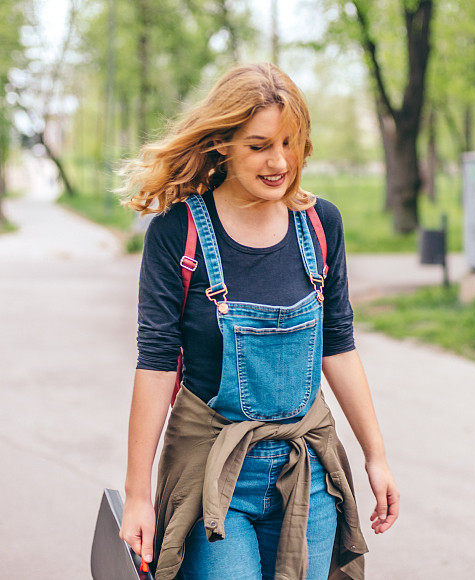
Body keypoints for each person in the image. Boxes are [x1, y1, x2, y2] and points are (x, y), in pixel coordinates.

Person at [117, 62, 399, 579]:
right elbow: (156, 365)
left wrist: (375, 455)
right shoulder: (177, 234)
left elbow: (338, 344)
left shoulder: (319, 224)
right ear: (222, 144)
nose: (279, 162)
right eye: (260, 145)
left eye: (291, 143)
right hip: (212, 475)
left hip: (307, 472)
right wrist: (137, 495)